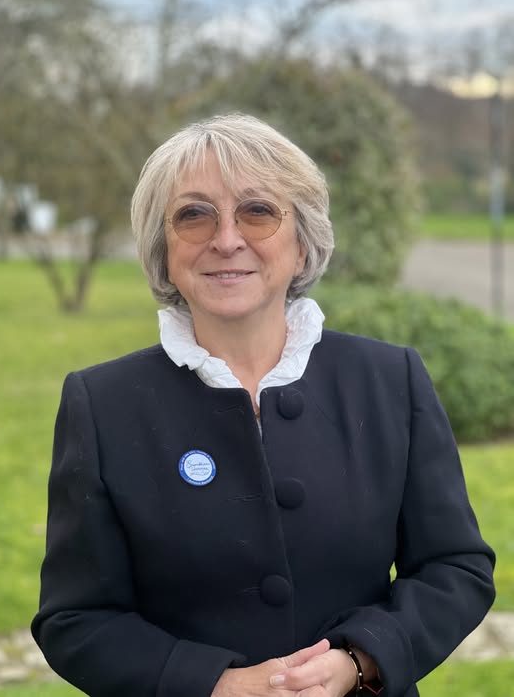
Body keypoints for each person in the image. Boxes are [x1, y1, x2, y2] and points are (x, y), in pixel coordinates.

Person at [32, 113, 495, 697]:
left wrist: (359, 661)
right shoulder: (103, 405)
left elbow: (456, 569)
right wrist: (217, 685)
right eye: (194, 215)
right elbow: (75, 620)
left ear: (302, 243)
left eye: (257, 211)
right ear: (163, 248)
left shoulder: (389, 380)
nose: (227, 239)